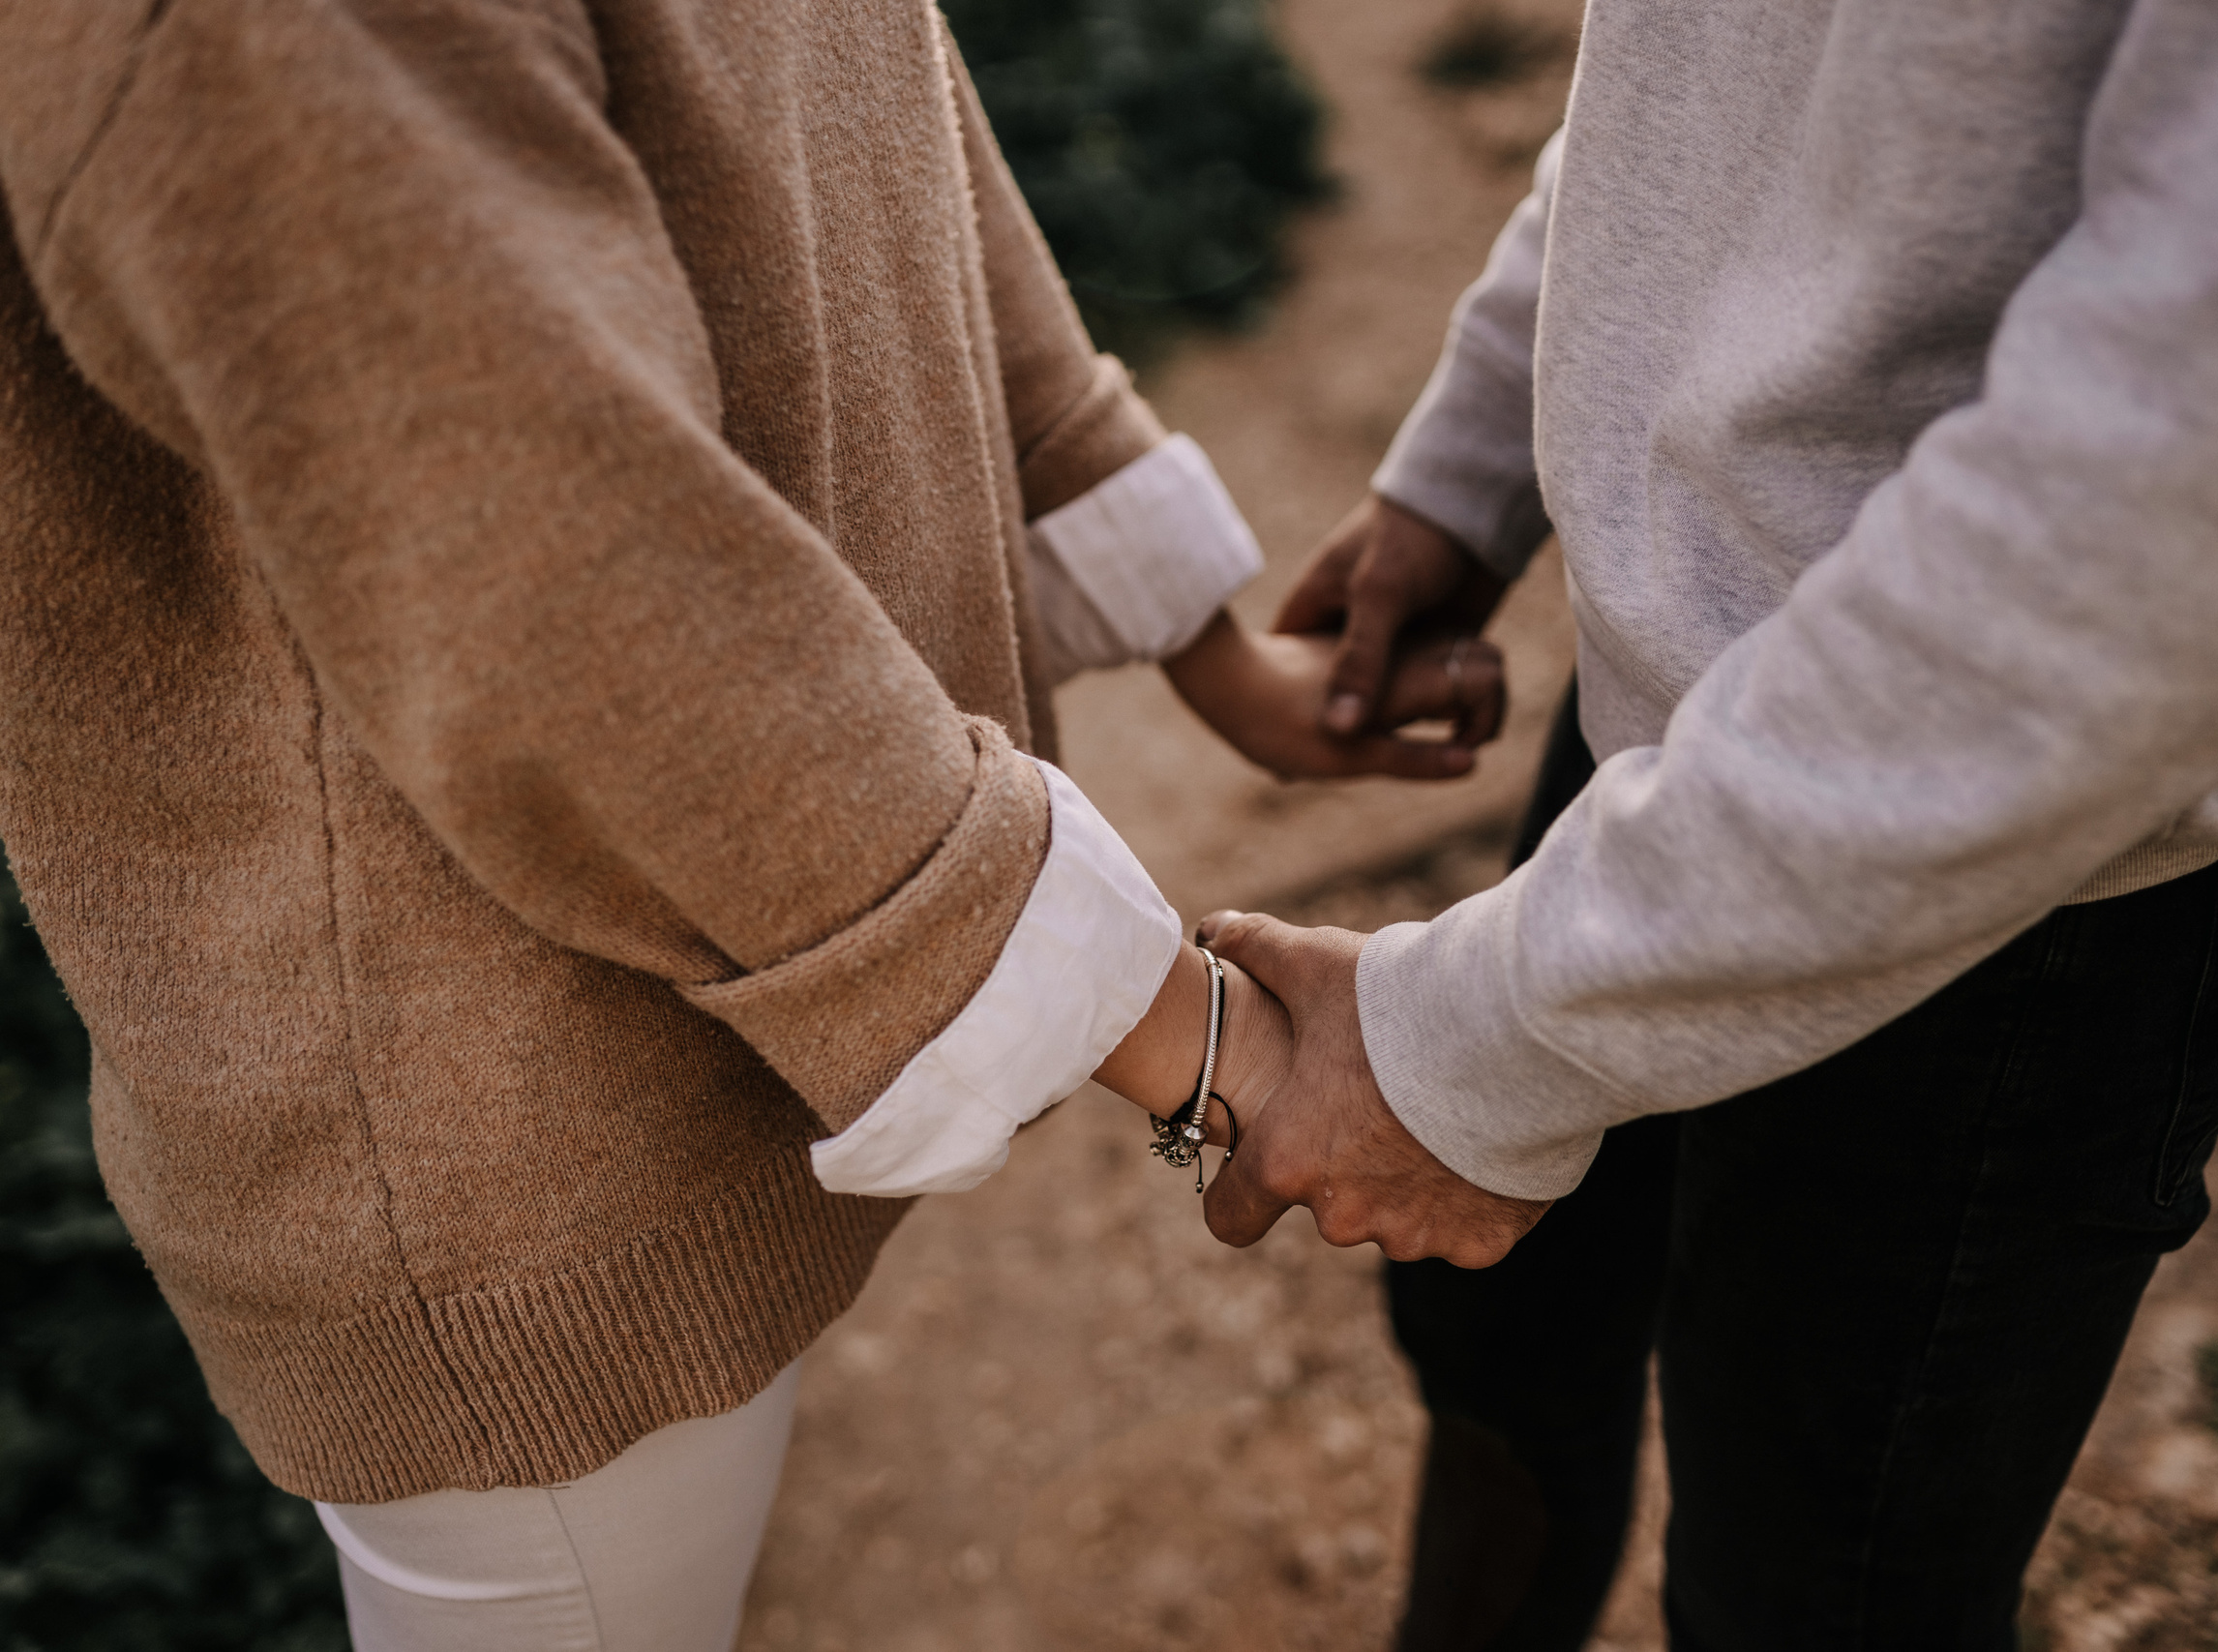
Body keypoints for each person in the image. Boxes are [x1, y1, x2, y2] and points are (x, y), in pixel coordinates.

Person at [0, 3, 1505, 1648]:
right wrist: (1232, 1057)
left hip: (725, 975)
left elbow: (857, 98)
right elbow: (550, 563)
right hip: (496, 1150)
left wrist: (1192, 625)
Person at [1202, 5, 2218, 1648]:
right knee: (1504, 1342)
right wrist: (1477, 445)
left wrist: (1491, 1036)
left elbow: (2202, 497)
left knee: (1821, 1593)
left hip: (2066, 876)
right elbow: (1722, 70)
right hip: (1693, 710)